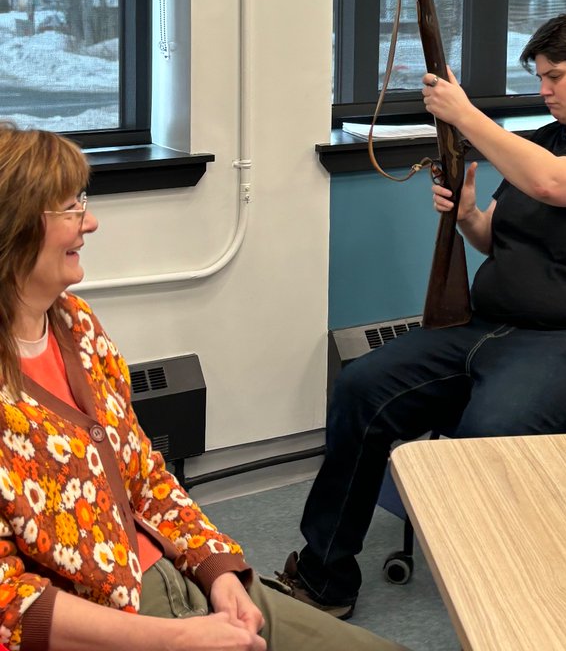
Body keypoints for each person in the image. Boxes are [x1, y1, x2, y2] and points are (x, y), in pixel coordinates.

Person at [280, 13, 566, 617]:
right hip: (493, 330)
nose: (544, 90)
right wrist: (466, 214)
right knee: (363, 386)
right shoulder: (541, 140)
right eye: (539, 77)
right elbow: (495, 235)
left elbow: (550, 186)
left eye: (556, 76)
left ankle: (495, 603)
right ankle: (324, 573)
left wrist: (463, 114)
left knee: (490, 431)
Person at [0, 122, 405, 651]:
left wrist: (216, 569)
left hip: (183, 581)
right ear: (14, 226)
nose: (91, 221)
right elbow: (9, 601)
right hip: (120, 627)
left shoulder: (75, 325)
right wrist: (169, 637)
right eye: (71, 207)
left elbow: (144, 473)